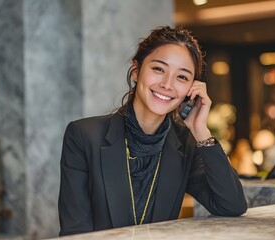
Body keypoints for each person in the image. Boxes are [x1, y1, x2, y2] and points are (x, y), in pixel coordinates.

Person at [58, 26, 247, 236]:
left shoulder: (186, 143)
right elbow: (75, 231)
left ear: (191, 90)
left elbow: (232, 206)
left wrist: (201, 130)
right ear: (137, 71)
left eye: (182, 77)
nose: (167, 84)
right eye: (158, 69)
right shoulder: (84, 136)